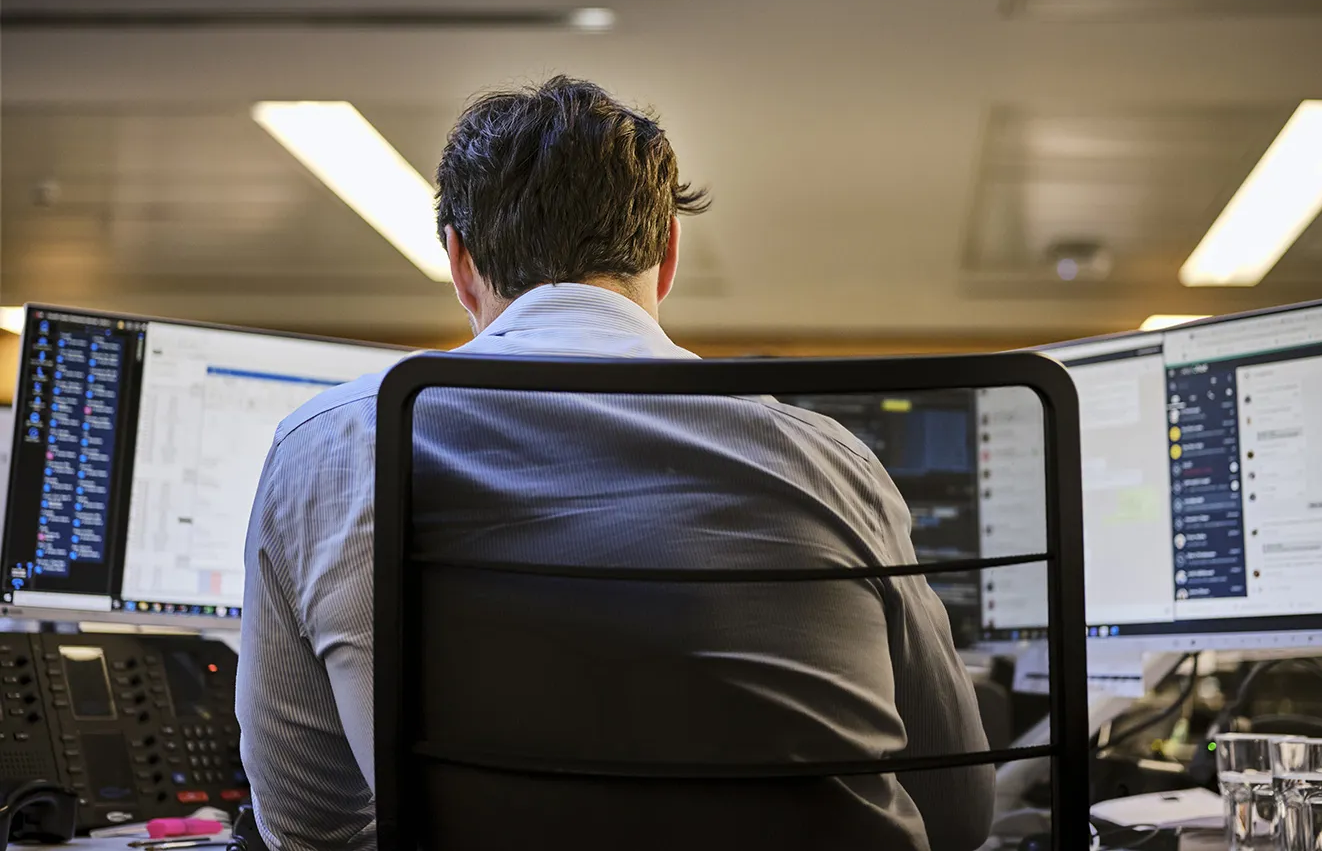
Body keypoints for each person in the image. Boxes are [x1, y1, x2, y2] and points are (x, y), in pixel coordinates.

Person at [237, 76, 994, 850]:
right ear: (667, 252)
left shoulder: (333, 445)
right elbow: (960, 810)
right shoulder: (832, 461)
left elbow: (311, 828)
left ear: (459, 262)